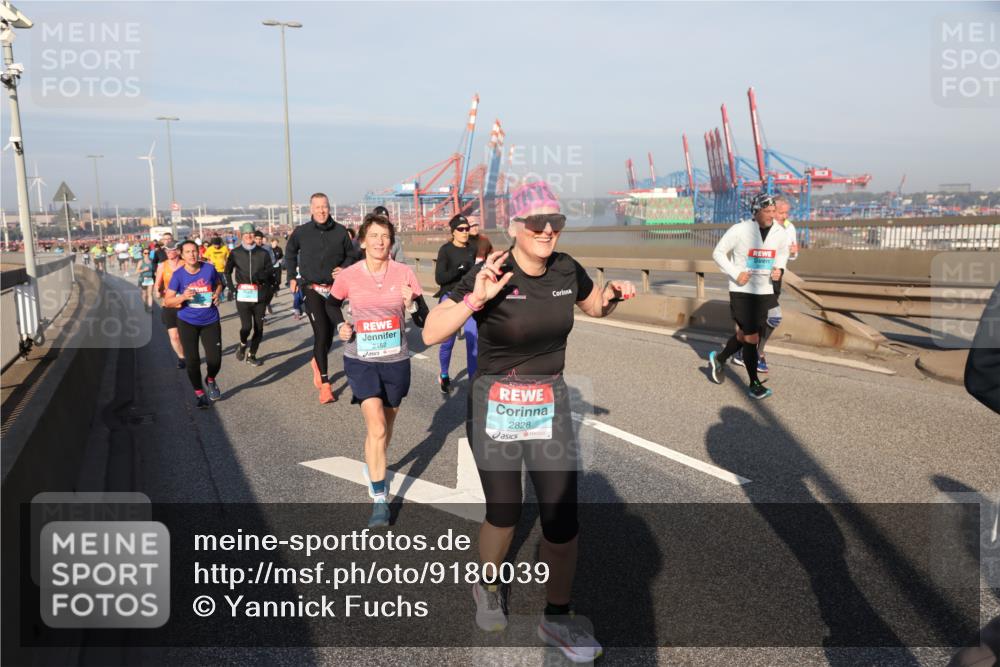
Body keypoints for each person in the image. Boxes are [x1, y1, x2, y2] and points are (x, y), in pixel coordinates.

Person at [423, 181, 635, 661]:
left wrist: (614, 295)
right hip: (494, 402)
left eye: (554, 223)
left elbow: (593, 305)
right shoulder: (490, 270)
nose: (546, 231)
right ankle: (488, 584)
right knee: (505, 511)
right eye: (536, 222)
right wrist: (475, 300)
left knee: (562, 522)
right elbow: (431, 331)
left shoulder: (566, 268)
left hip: (549, 404)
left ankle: (558, 618)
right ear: (515, 227)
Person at [328, 213, 429, 527]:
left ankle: (374, 459)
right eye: (373, 235)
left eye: (384, 236)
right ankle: (379, 499)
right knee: (377, 426)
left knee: (386, 425)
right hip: (361, 359)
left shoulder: (404, 273)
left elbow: (425, 317)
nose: (379, 242)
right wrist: (341, 326)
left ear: (391, 241)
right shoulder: (349, 275)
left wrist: (411, 304)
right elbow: (331, 304)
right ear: (362, 241)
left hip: (396, 360)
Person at [707, 192, 790, 399]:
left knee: (745, 335)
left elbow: (782, 252)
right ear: (756, 211)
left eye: (773, 211)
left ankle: (719, 359)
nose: (772, 215)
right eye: (767, 211)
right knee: (752, 338)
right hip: (741, 291)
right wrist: (736, 273)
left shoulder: (779, 231)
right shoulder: (740, 230)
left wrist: (780, 268)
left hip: (764, 290)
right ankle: (754, 384)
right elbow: (718, 253)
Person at [285, 192, 357, 404]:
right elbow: (290, 253)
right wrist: (291, 276)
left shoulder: (341, 231)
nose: (321, 210)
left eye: (324, 206)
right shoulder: (302, 232)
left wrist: (344, 267)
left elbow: (351, 255)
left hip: (334, 290)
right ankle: (326, 385)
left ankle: (317, 360)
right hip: (311, 288)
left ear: (329, 207)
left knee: (328, 336)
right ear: (311, 210)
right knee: (321, 332)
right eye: (317, 207)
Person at [733, 195, 797, 373]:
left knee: (769, 318)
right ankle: (756, 353)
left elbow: (789, 255)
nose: (783, 217)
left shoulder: (788, 228)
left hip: (773, 279)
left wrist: (789, 257)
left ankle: (746, 351)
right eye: (779, 212)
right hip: (752, 278)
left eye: (785, 213)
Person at [163, 240, 225, 409]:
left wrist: (217, 294)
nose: (192, 254)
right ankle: (199, 393)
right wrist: (183, 297)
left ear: (199, 252)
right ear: (182, 255)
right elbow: (168, 301)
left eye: (194, 251)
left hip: (210, 320)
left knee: (215, 360)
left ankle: (210, 379)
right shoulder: (178, 275)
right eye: (188, 252)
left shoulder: (209, 269)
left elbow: (219, 284)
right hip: (187, 322)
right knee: (192, 361)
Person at [433, 214, 478, 393]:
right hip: (450, 298)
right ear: (453, 232)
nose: (465, 232)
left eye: (467, 229)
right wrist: (458, 270)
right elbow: (439, 278)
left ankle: (474, 380)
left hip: (468, 300)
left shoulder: (472, 249)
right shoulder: (445, 250)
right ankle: (444, 374)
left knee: (472, 339)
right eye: (461, 229)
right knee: (448, 342)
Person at [225, 223, 274, 366]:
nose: (249, 236)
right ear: (241, 236)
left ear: (255, 235)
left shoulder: (263, 253)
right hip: (243, 294)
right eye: (246, 234)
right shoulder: (235, 253)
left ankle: (252, 355)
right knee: (246, 327)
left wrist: (263, 276)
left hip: (259, 294)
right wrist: (232, 289)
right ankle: (242, 343)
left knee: (259, 328)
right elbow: (227, 271)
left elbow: (270, 271)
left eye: (251, 234)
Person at [153, 242, 188, 369]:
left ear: (178, 251)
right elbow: (158, 283)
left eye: (171, 250)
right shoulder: (162, 265)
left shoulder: (185, 264)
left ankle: (189, 353)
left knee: (185, 334)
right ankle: (181, 357)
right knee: (174, 335)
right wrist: (157, 291)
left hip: (186, 303)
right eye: (166, 251)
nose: (168, 253)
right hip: (169, 304)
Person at [137, 247, 155, 312]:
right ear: (143, 254)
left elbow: (154, 269)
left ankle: (150, 307)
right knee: (144, 294)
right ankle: (145, 305)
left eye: (148, 253)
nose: (147, 254)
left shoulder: (151, 260)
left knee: (150, 294)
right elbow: (137, 271)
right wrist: (143, 270)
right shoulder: (141, 261)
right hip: (143, 279)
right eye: (145, 253)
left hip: (150, 279)